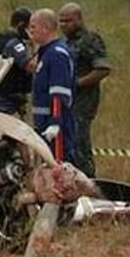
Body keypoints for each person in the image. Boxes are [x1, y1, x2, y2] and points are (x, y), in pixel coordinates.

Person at [58, 2, 110, 177]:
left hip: (83, 101)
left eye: (68, 21)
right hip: (64, 100)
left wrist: (78, 83)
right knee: (64, 143)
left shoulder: (90, 40)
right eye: (61, 21)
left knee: (79, 142)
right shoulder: (63, 42)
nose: (64, 25)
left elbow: (102, 69)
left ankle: (89, 180)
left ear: (79, 19)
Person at [27, 9, 78, 167]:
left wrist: (55, 122)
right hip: (42, 122)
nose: (31, 31)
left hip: (55, 125)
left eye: (33, 26)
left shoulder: (57, 54)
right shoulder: (46, 53)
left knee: (58, 169)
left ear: (45, 28)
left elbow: (58, 92)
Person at [0, 7, 34, 116]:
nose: (31, 31)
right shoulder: (14, 43)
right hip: (10, 98)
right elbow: (30, 66)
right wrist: (36, 46)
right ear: (21, 25)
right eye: (29, 27)